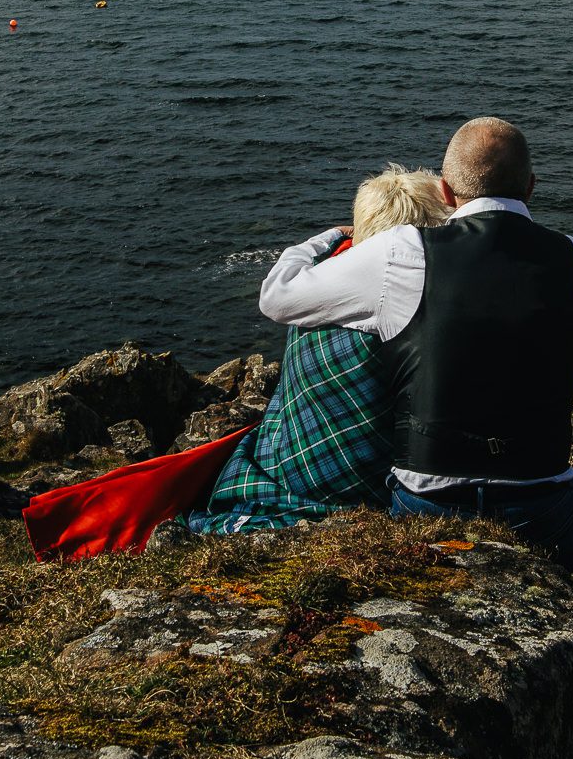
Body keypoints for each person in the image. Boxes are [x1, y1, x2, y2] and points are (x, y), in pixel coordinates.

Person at [257, 117, 573, 759]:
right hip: (543, 491)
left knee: (421, 664)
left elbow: (278, 300)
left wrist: (328, 241)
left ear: (447, 193)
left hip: (431, 499)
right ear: (533, 186)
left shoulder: (403, 252)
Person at [189, 165, 450, 534]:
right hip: (370, 484)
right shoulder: (428, 301)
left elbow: (282, 281)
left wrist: (330, 236)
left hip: (294, 465)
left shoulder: (319, 286)